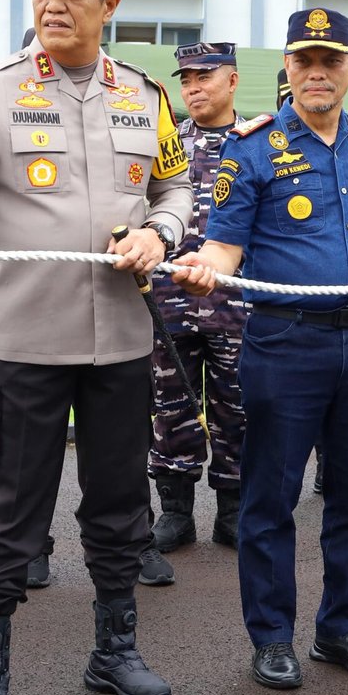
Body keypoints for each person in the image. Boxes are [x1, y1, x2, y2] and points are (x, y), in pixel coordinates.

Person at [0, 0, 192, 695]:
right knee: (6, 510)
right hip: (26, 343)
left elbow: (173, 184)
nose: (53, 3)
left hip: (120, 340)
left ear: (109, 5)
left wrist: (163, 233)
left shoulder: (145, 95)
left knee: (119, 504)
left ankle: (114, 651)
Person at [170, 7, 348, 691]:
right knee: (270, 497)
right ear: (286, 69)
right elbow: (225, 244)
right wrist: (206, 263)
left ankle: (341, 627)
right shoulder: (252, 148)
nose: (316, 73)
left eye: (330, 60)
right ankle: (272, 636)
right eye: (303, 61)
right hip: (286, 342)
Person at [148, 42, 248, 554]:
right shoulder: (164, 144)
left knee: (238, 407)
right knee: (171, 405)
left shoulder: (258, 142)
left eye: (205, 76)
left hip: (236, 306)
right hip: (168, 304)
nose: (193, 87)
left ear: (232, 81)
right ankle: (175, 511)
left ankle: (232, 509)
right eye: (186, 78)